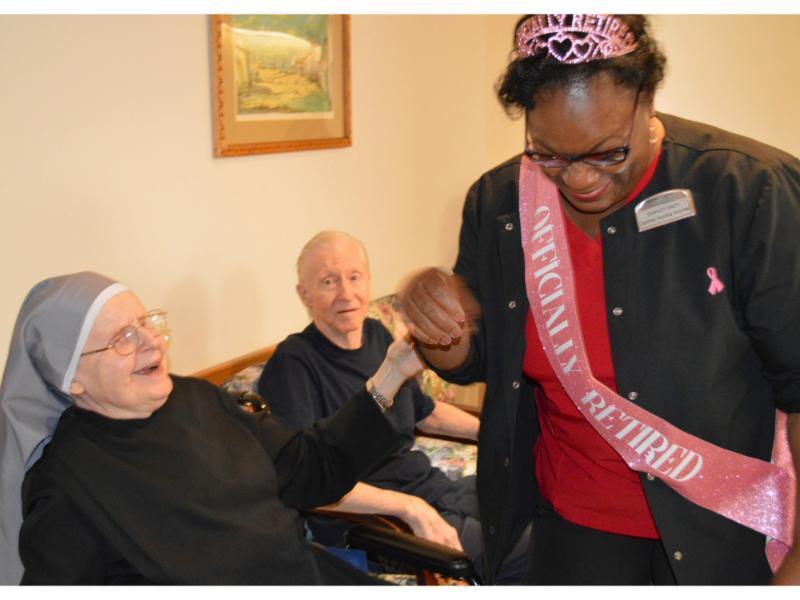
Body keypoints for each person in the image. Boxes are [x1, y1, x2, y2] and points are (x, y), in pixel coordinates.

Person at [399, 14, 800, 585]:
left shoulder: (749, 191)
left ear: (647, 100)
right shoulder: (500, 201)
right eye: (549, 154)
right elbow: (476, 361)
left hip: (724, 526)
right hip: (574, 526)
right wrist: (437, 322)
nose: (579, 179)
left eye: (607, 152)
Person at [0, 271, 425, 584]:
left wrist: (390, 375)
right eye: (123, 338)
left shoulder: (197, 398)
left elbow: (311, 467)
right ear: (71, 378)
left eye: (146, 322)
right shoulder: (65, 483)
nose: (151, 341)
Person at [257, 230, 530, 584]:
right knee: (527, 551)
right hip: (375, 521)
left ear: (368, 280)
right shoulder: (293, 364)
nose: (346, 293)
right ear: (304, 294)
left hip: (430, 487)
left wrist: (491, 433)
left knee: (537, 507)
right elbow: (305, 483)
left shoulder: (377, 336)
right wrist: (409, 508)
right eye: (328, 281)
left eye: (354, 277)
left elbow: (426, 413)